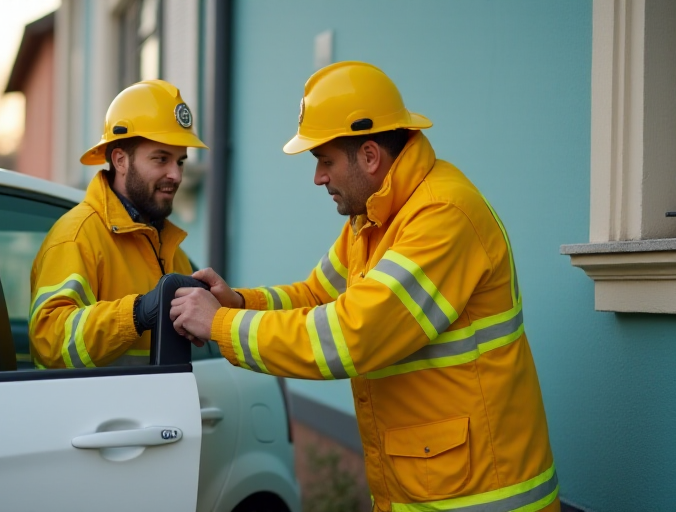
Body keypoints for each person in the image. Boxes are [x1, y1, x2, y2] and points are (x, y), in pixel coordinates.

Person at [170, 62, 558, 511]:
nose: (318, 178)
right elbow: (317, 295)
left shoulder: (442, 216)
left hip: (481, 497)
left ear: (370, 156)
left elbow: (351, 336)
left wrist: (220, 325)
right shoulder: (373, 217)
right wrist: (239, 301)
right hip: (428, 487)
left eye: (325, 161)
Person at [29, 79, 205, 368]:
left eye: (180, 162)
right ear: (121, 160)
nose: (175, 174)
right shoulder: (77, 236)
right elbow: (50, 342)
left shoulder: (170, 248)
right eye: (161, 159)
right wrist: (136, 314)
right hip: (91, 411)